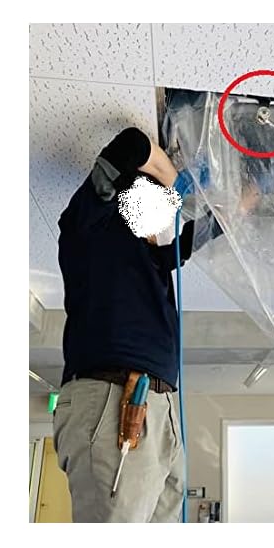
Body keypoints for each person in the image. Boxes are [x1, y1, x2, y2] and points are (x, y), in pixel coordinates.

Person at [53, 127, 257, 522]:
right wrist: (177, 184)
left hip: (143, 406)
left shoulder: (148, 257)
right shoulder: (85, 227)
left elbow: (187, 244)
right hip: (116, 405)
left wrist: (241, 206)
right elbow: (130, 144)